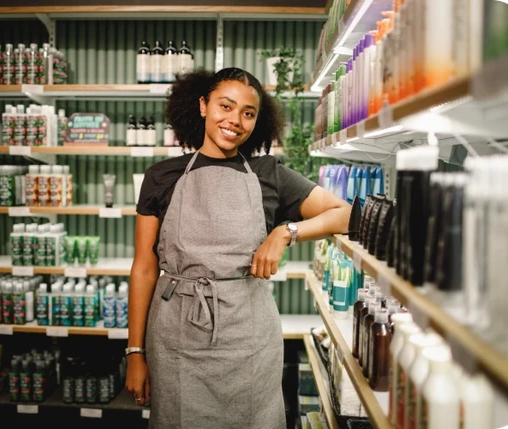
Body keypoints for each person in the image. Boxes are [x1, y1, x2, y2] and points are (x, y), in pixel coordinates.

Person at [126, 67, 351, 429]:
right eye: (225, 106)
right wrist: (135, 352)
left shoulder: (269, 174)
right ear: (202, 106)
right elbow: (144, 268)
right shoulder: (161, 177)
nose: (235, 121)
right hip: (176, 339)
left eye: (248, 113)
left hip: (248, 341)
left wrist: (285, 232)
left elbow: (345, 214)